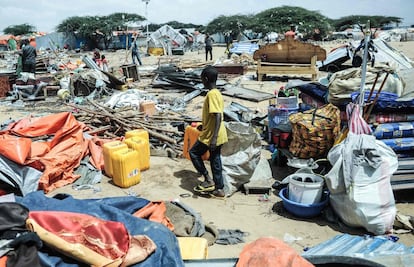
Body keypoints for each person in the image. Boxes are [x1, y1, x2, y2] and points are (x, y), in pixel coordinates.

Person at [190, 65, 228, 198]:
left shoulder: (212, 94)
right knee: (215, 159)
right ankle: (219, 188)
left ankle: (207, 178)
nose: (202, 82)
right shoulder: (216, 93)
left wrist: (213, 137)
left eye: (202, 79)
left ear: (206, 79)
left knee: (194, 153)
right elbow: (213, 116)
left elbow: (217, 115)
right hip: (214, 132)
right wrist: (203, 125)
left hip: (212, 135)